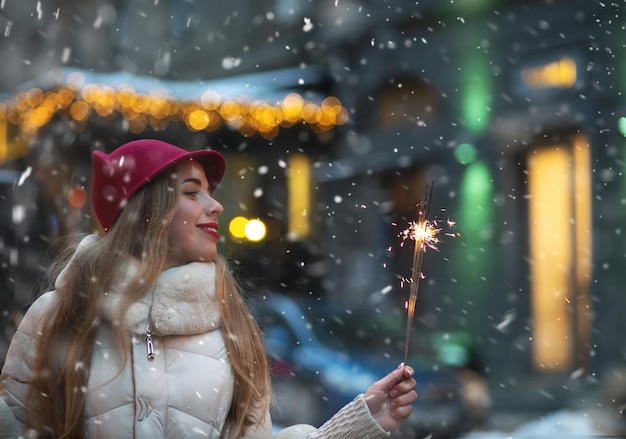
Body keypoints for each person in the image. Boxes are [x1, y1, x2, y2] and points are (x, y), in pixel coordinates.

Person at [0, 139, 417, 438]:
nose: (215, 206)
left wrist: (361, 423)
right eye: (191, 192)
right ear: (146, 212)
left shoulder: (231, 324)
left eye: (210, 193)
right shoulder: (57, 314)